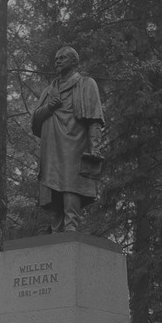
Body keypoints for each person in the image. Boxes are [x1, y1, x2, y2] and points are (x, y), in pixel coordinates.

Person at [31, 46, 105, 233]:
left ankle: (71, 225)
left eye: (62, 58)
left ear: (74, 61)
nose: (57, 61)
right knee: (52, 187)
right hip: (51, 145)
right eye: (56, 58)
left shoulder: (86, 84)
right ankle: (57, 229)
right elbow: (35, 121)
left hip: (75, 141)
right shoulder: (49, 90)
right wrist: (49, 107)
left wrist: (95, 147)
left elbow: (95, 118)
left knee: (71, 184)